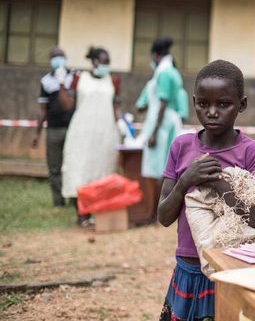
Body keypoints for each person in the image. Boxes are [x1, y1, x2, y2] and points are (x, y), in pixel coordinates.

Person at [154, 60, 255, 321]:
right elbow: (164, 216)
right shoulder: (181, 147)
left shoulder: (251, 153)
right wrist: (185, 181)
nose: (212, 112)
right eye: (203, 104)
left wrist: (217, 182)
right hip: (189, 268)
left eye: (224, 104)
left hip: (231, 268)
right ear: (193, 102)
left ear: (241, 105)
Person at [59, 47, 122, 226]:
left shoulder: (113, 81)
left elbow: (116, 107)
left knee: (103, 171)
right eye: (104, 61)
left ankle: (100, 214)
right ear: (94, 62)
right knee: (81, 171)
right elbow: (67, 105)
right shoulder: (79, 79)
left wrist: (122, 123)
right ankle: (82, 215)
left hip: (106, 134)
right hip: (82, 134)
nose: (107, 65)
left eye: (109, 62)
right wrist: (61, 85)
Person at [136, 37, 188, 221]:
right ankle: (158, 211)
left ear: (155, 55)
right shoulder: (171, 71)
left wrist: (155, 131)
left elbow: (163, 102)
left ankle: (155, 213)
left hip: (163, 123)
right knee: (163, 167)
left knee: (159, 169)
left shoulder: (164, 73)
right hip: (166, 121)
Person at [31, 47, 77, 207]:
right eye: (54, 57)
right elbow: (42, 109)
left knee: (73, 166)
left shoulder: (75, 77)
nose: (58, 59)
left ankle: (74, 201)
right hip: (53, 130)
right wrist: (37, 133)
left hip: (74, 130)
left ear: (66, 58)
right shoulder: (46, 81)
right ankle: (58, 202)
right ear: (50, 60)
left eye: (60, 56)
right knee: (54, 168)